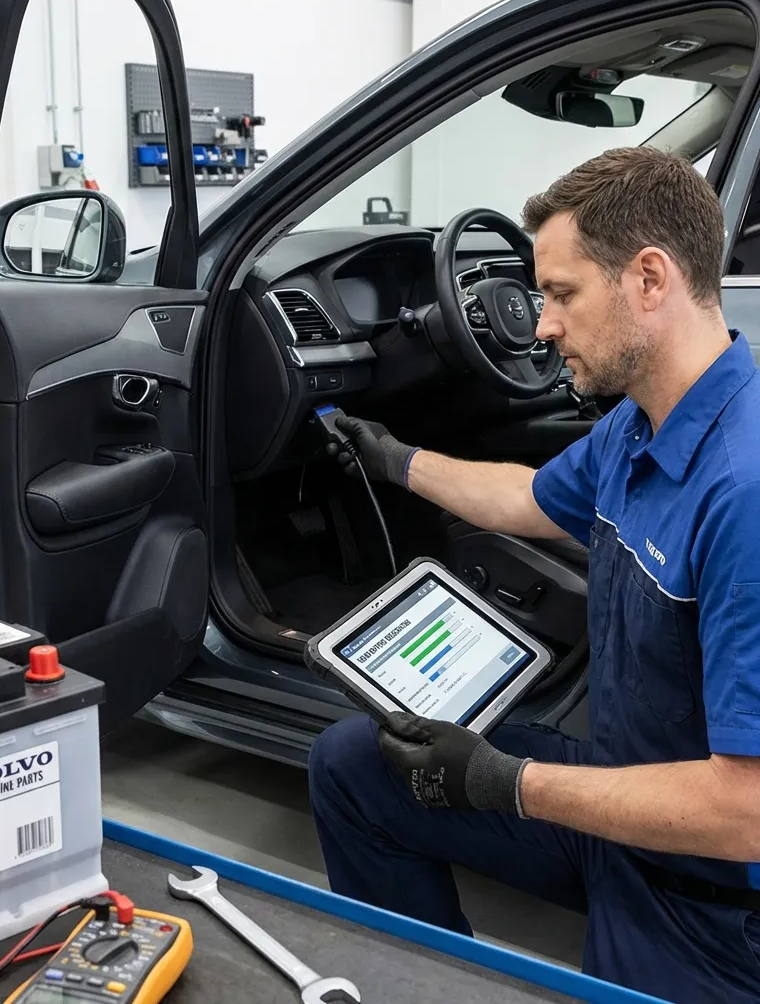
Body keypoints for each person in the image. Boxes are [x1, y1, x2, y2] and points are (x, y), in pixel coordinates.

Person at [308, 146, 760, 1003]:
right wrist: (394, 459)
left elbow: (748, 811)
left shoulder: (745, 492)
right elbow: (525, 497)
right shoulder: (640, 425)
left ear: (650, 280)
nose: (542, 324)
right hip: (616, 812)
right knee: (353, 766)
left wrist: (503, 782)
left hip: (710, 903)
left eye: (561, 293)